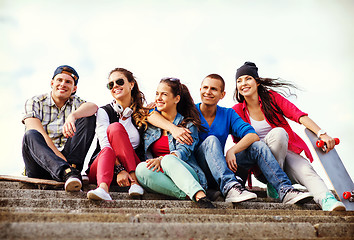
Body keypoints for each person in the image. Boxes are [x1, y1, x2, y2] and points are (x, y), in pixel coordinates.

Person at [149, 74, 313, 205]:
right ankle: (230, 188)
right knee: (211, 140)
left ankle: (285, 189)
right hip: (199, 168)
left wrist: (232, 150)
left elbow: (252, 135)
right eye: (205, 87)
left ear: (222, 94)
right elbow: (151, 114)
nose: (208, 92)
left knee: (257, 145)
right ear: (200, 89)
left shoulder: (227, 114)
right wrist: (173, 128)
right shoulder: (189, 110)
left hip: (221, 165)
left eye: (214, 89)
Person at [232, 61, 346, 211]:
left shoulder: (272, 98)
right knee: (277, 133)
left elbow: (297, 115)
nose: (243, 83)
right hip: (261, 166)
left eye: (248, 78)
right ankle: (274, 183)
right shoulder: (237, 111)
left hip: (284, 155)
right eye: (239, 81)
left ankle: (326, 199)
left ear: (257, 82)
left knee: (306, 169)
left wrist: (321, 134)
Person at [135, 78, 215, 208]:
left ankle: (199, 193)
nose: (158, 98)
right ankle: (190, 194)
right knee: (141, 170)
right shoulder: (150, 124)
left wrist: (161, 159)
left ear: (176, 99)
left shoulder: (188, 125)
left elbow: (183, 152)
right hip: (162, 177)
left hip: (188, 173)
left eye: (164, 94)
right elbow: (141, 112)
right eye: (157, 93)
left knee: (169, 159)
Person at [22, 65, 97, 192]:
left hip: (70, 161)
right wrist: (63, 165)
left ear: (74, 88)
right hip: (41, 163)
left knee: (88, 117)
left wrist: (73, 116)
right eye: (59, 80)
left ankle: (72, 171)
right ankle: (67, 173)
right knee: (31, 135)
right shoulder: (35, 102)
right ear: (52, 83)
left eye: (68, 82)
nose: (63, 84)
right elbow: (41, 134)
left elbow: (93, 107)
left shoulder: (76, 103)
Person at [86, 68, 147, 201]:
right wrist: (120, 170)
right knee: (113, 134)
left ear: (131, 84)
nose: (115, 86)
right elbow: (104, 144)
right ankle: (103, 189)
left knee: (116, 129)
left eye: (119, 81)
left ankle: (135, 182)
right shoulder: (104, 111)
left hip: (135, 168)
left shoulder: (142, 114)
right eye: (111, 84)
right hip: (105, 167)